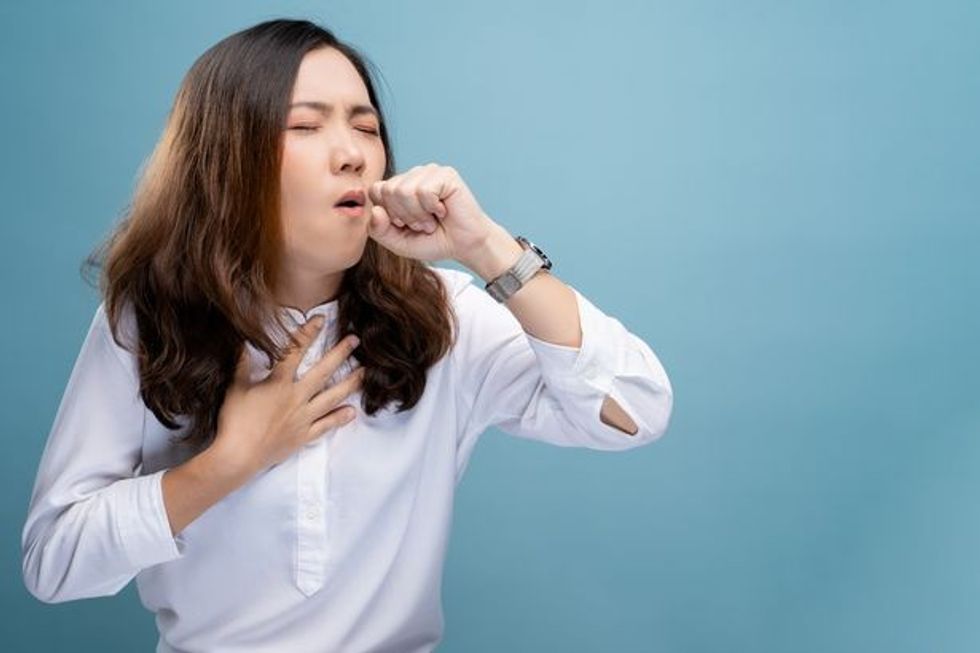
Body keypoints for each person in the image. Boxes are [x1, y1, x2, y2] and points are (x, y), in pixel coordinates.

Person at [20, 17, 674, 653]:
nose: (352, 151)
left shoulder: (442, 313)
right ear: (224, 162)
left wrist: (488, 250)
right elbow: (55, 562)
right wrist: (230, 460)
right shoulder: (149, 318)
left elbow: (636, 410)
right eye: (305, 125)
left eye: (366, 127)